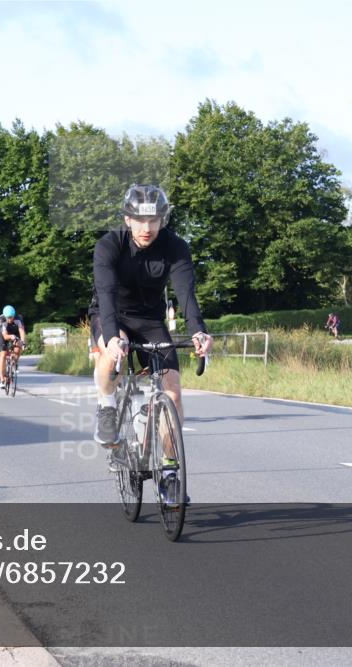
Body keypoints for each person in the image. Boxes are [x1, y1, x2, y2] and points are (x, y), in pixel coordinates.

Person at [88, 184, 213, 500]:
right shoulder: (109, 245)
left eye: (154, 220)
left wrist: (198, 331)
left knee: (173, 391)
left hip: (151, 320)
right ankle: (107, 407)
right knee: (110, 356)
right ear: (127, 219)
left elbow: (186, 294)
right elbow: (105, 294)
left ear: (163, 220)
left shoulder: (175, 247)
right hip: (111, 313)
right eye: (140, 220)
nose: (147, 228)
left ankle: (168, 471)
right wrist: (114, 338)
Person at [0, 305, 26, 388]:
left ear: (14, 315)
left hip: (15, 331)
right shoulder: (2, 319)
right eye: (8, 318)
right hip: (4, 334)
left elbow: (21, 331)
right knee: (3, 354)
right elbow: (5, 336)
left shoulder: (18, 318)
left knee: (19, 347)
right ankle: (2, 379)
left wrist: (22, 342)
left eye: (11, 317)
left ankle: (14, 362)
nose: (10, 319)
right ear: (5, 316)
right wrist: (11, 337)